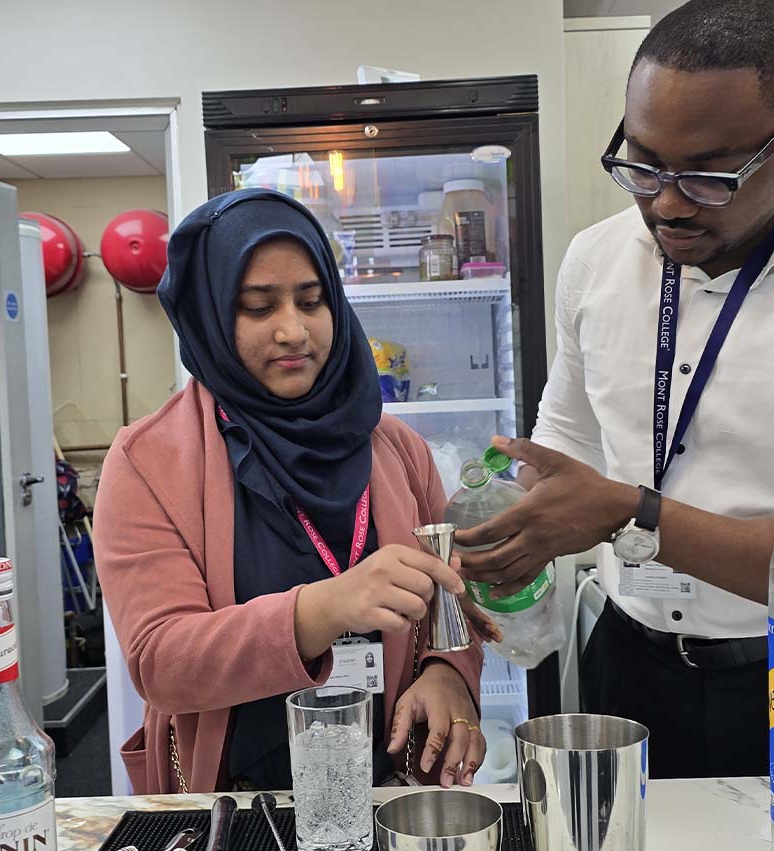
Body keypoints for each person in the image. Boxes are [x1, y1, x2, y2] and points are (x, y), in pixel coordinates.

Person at [457, 0, 774, 779]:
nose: (664, 203)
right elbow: (568, 438)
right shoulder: (597, 260)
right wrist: (511, 518)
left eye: (707, 176)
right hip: (625, 654)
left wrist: (634, 513)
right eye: (642, 163)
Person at [94, 189, 486, 794]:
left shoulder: (395, 447)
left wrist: (448, 673)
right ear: (210, 316)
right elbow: (160, 660)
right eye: (258, 307)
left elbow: (450, 602)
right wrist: (325, 609)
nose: (293, 331)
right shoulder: (148, 462)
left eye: (312, 300)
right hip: (230, 804)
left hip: (386, 788)